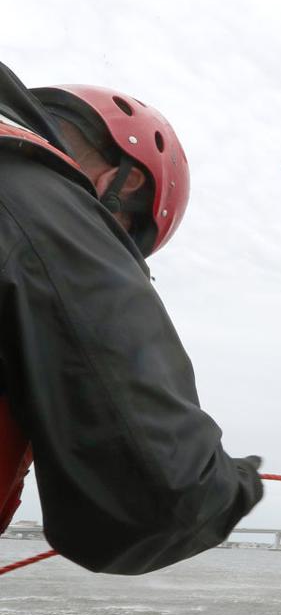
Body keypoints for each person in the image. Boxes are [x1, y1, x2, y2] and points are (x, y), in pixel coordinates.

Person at [0, 60, 263, 574]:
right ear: (124, 184)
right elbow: (161, 496)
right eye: (121, 238)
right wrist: (234, 485)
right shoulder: (38, 196)